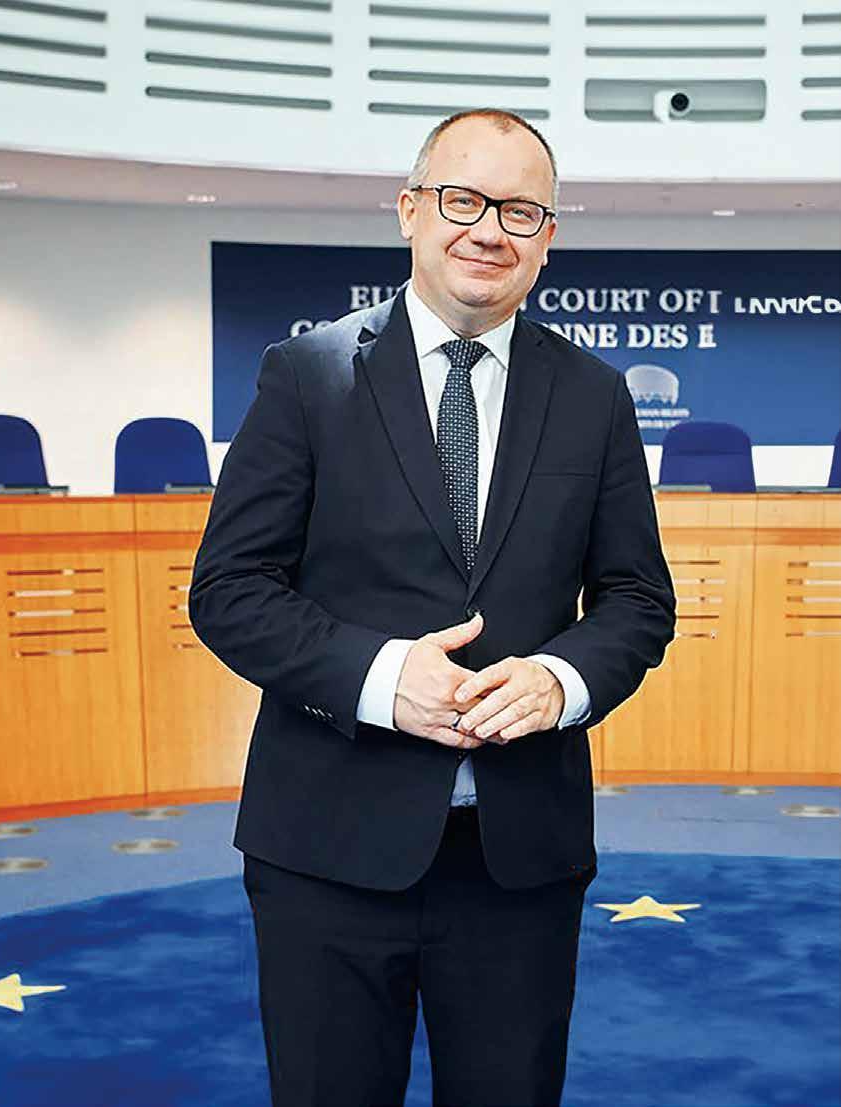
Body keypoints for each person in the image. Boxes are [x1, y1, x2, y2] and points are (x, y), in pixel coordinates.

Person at [189, 108, 676, 1106]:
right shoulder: (306, 375)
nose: (488, 230)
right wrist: (380, 677)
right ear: (410, 210)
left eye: (520, 211)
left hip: (519, 862)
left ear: (548, 236)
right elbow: (229, 589)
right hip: (324, 849)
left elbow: (636, 597)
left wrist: (560, 678)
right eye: (463, 200)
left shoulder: (594, 396)